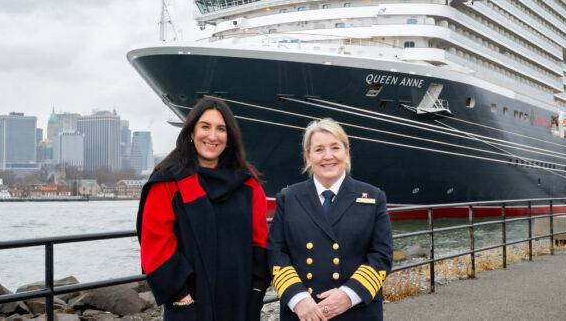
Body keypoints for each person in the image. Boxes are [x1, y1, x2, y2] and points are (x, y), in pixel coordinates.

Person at [136, 97, 268, 320]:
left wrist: (256, 291)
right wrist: (180, 296)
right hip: (190, 306)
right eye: (205, 127)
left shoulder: (247, 183)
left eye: (221, 129)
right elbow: (154, 242)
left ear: (229, 137)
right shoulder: (169, 181)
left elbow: (260, 240)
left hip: (240, 303)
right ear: (191, 132)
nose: (212, 136)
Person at [268, 118, 392, 320]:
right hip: (302, 313)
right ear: (307, 157)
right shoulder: (288, 198)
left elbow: (381, 255)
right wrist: (298, 298)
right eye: (318, 150)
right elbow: (276, 253)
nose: (328, 156)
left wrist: (348, 295)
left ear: (347, 152)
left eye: (335, 148)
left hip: (356, 311)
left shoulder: (373, 197)